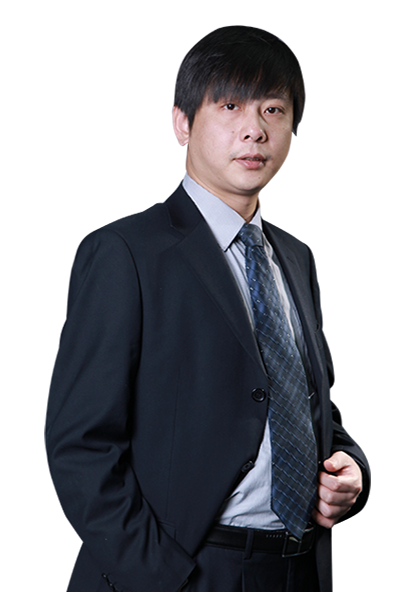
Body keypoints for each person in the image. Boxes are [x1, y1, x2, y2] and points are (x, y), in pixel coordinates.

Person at [46, 26, 370, 592]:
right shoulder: (126, 253)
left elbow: (308, 407)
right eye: (230, 106)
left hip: (299, 567)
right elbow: (81, 445)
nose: (254, 128)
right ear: (183, 124)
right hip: (189, 568)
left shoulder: (294, 258)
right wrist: (160, 576)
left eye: (273, 109)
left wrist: (351, 470)